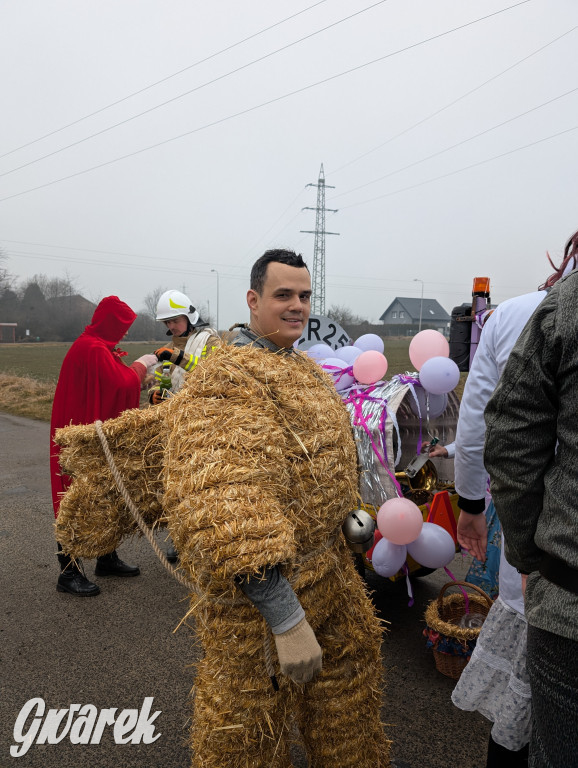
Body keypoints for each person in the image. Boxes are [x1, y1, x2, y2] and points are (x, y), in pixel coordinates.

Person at [54, 250, 390, 767]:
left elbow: (319, 462)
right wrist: (285, 618)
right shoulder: (227, 382)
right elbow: (227, 506)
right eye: (283, 295)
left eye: (304, 296)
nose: (297, 306)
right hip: (264, 604)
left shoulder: (304, 371)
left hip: (332, 577)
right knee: (250, 731)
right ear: (253, 301)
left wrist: (345, 517)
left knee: (348, 715)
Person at [451, 233, 578, 766]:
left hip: (557, 569)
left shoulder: (533, 313)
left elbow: (492, 431)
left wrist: (476, 508)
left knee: (531, 716)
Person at [50, 295, 157, 596]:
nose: (124, 333)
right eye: (121, 326)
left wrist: (140, 379)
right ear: (109, 323)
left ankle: (105, 558)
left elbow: (115, 382)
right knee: (74, 497)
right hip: (80, 436)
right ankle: (68, 573)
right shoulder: (92, 348)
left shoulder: (98, 347)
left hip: (88, 428)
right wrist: (140, 364)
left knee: (104, 493)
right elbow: (121, 384)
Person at [148, 289, 220, 562]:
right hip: (177, 424)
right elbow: (167, 376)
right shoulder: (176, 343)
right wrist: (158, 393)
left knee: (202, 487)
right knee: (177, 488)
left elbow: (211, 373)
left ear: (189, 315)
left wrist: (176, 357)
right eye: (166, 323)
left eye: (174, 321)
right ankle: (181, 538)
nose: (170, 327)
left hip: (204, 424)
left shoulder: (209, 339)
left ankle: (205, 540)